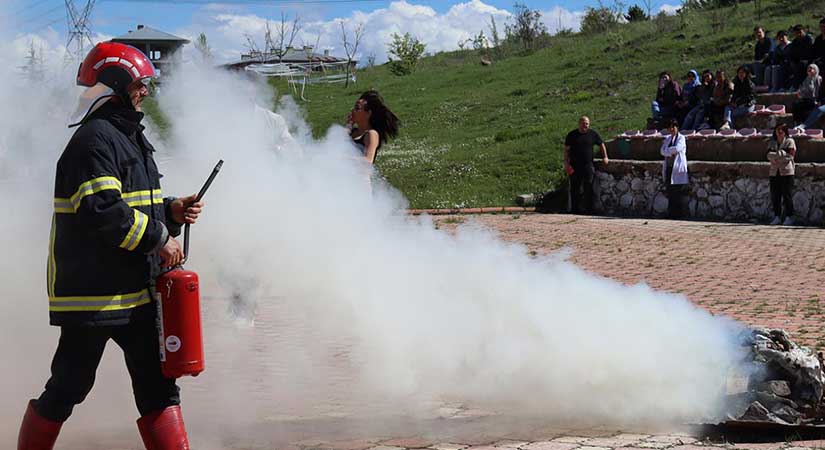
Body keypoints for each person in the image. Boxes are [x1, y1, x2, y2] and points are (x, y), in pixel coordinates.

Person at [17, 42, 204, 450]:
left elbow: (133, 202)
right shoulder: (94, 140)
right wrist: (159, 238)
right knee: (69, 386)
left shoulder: (126, 136)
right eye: (140, 84)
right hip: (93, 297)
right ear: (115, 84)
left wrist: (170, 210)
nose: (146, 92)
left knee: (159, 388)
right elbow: (103, 210)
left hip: (132, 290)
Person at [564, 116, 608, 215]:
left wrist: (605, 157)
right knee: (575, 188)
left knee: (589, 186)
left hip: (588, 165)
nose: (585, 125)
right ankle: (575, 209)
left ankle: (588, 209)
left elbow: (601, 145)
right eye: (583, 123)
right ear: (579, 123)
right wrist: (566, 163)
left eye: (587, 124)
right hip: (574, 165)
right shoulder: (572, 135)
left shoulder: (593, 134)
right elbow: (566, 150)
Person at [347, 90, 399, 164]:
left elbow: (368, 161)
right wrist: (349, 125)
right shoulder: (351, 132)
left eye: (357, 108)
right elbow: (336, 145)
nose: (352, 110)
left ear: (368, 113)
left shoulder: (371, 134)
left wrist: (343, 158)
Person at [766, 124, 796, 225]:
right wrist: (781, 154)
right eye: (777, 130)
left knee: (787, 195)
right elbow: (768, 155)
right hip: (774, 172)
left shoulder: (790, 141)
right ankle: (777, 216)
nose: (779, 132)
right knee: (775, 195)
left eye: (781, 130)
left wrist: (778, 155)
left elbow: (790, 156)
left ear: (785, 131)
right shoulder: (772, 142)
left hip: (787, 172)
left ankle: (789, 216)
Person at [659, 118, 689, 219]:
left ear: (677, 127)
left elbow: (677, 148)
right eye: (670, 127)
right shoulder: (667, 139)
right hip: (669, 168)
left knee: (678, 192)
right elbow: (662, 151)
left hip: (677, 168)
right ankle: (671, 213)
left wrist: (668, 151)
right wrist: (669, 152)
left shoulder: (681, 138)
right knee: (670, 192)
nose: (671, 129)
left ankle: (679, 214)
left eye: (673, 127)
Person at [721, 66, 755, 130]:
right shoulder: (736, 83)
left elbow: (749, 98)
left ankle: (730, 128)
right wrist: (732, 102)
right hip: (739, 105)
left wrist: (737, 103)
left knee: (732, 114)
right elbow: (734, 95)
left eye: (742, 72)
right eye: (739, 73)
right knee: (727, 107)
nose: (741, 74)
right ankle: (727, 124)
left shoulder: (750, 84)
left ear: (746, 74)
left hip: (748, 105)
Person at [788, 24, 814, 89]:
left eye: (800, 32)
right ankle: (791, 86)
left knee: (801, 65)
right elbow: (792, 53)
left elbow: (810, 52)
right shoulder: (795, 41)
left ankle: (801, 86)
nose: (798, 34)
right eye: (796, 33)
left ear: (803, 31)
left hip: (808, 60)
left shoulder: (808, 39)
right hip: (798, 60)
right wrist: (792, 61)